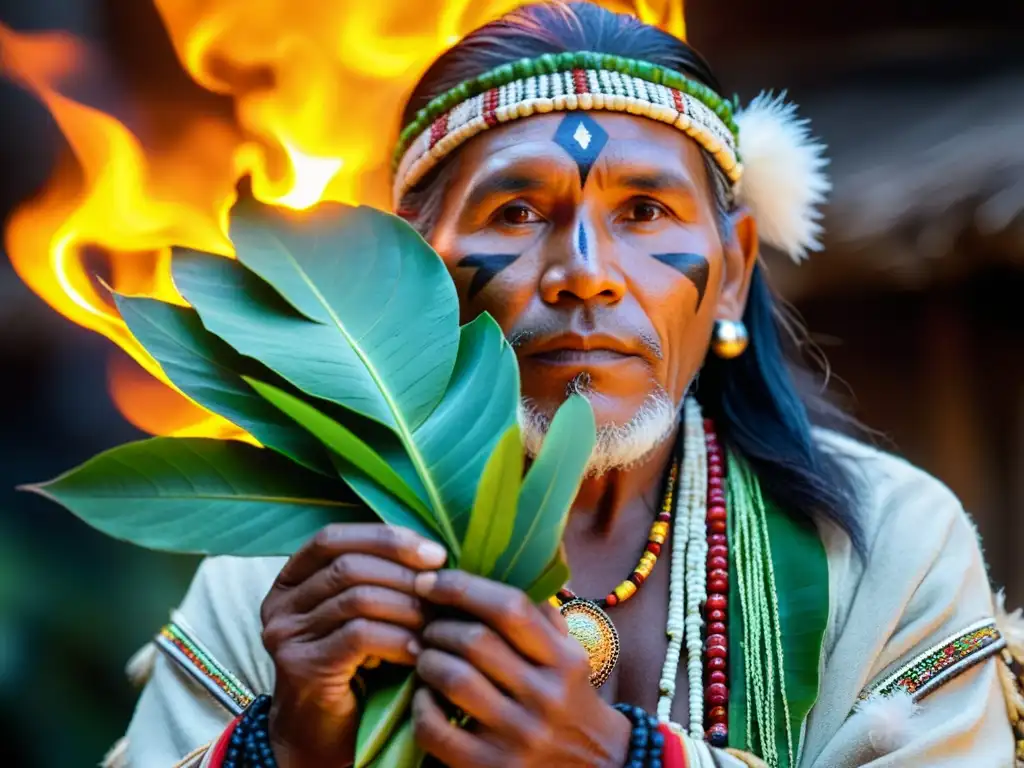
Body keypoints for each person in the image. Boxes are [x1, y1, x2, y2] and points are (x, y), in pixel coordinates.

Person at [108, 3, 1024, 767]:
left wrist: (614, 758)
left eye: (645, 210)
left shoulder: (891, 549)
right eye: (516, 211)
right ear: (411, 272)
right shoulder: (279, 577)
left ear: (735, 270)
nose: (585, 271)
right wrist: (289, 744)